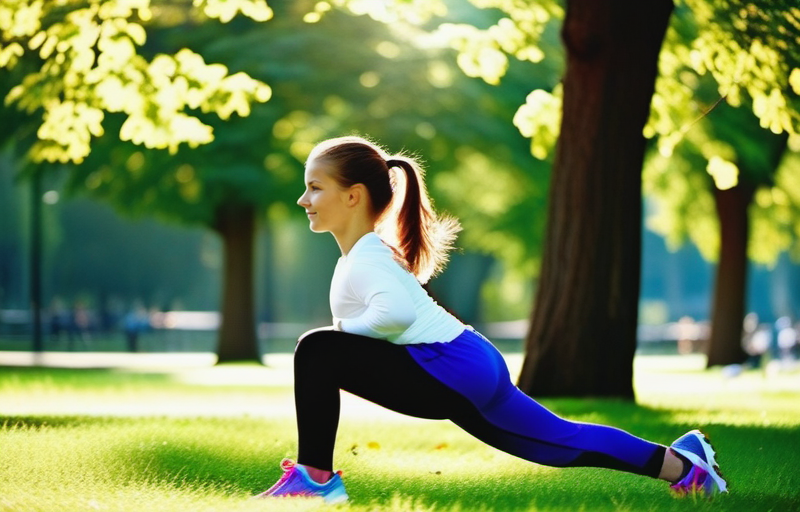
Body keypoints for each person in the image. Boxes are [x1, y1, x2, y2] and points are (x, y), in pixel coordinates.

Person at [255, 136, 727, 504]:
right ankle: (684, 466)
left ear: (353, 196)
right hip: (464, 361)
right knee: (557, 443)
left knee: (316, 349)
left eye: (315, 187)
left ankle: (314, 479)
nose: (305, 199)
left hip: (449, 365)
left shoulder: (365, 258)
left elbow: (393, 315)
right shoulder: (365, 255)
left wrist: (340, 338)